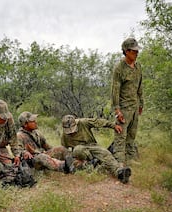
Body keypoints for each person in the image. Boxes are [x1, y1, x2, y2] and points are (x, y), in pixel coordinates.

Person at [61, 115, 131, 183]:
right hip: (79, 155)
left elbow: (98, 122)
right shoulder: (64, 136)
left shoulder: (83, 122)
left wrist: (113, 126)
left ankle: (119, 173)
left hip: (92, 146)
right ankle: (92, 163)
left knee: (105, 153)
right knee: (78, 149)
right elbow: (65, 150)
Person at [111, 37, 143, 165]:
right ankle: (119, 161)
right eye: (134, 51)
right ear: (126, 51)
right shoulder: (119, 68)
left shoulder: (138, 66)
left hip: (135, 106)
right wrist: (117, 110)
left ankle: (130, 158)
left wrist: (141, 103)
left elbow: (140, 86)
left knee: (132, 134)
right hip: (123, 108)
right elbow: (115, 90)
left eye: (137, 51)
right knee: (120, 135)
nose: (137, 53)